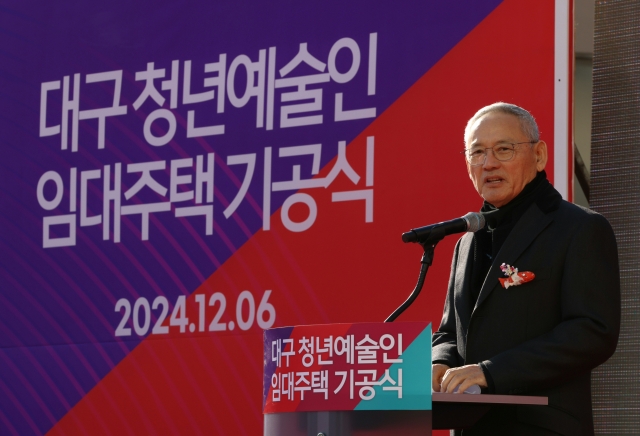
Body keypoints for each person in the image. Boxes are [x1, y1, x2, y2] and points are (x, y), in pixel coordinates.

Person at [431, 103, 620, 436]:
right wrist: (439, 361)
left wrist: (491, 372)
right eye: (477, 153)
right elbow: (450, 331)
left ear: (540, 155)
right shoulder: (465, 243)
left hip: (542, 425)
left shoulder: (579, 228)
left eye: (503, 149)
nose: (488, 163)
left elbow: (592, 331)